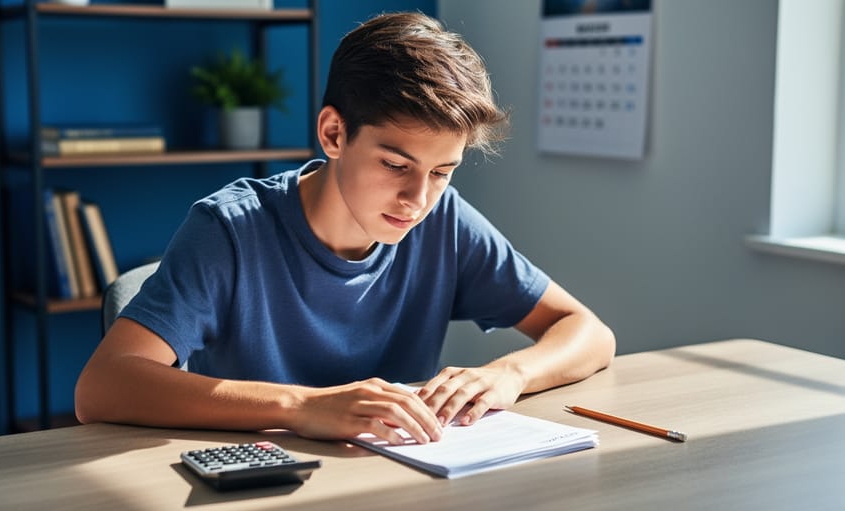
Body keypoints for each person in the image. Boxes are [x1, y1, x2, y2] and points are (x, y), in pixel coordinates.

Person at [75, 12, 615, 446]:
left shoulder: (444, 218)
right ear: (334, 133)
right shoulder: (230, 229)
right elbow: (102, 387)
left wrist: (510, 374)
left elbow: (587, 331)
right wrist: (303, 406)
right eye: (396, 165)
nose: (418, 199)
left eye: (443, 172)